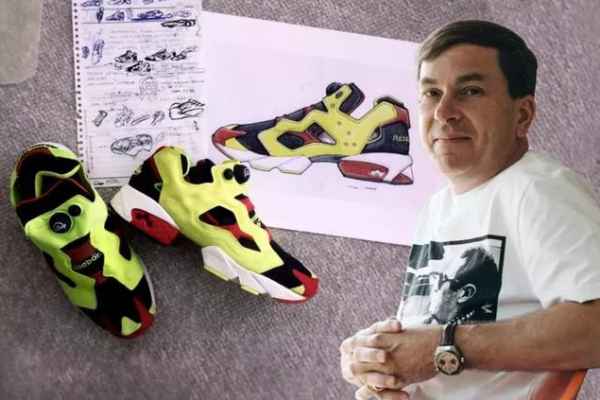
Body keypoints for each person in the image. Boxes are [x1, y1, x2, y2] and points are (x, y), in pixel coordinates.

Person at [340, 20, 600, 400]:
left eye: (470, 91)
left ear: (522, 115)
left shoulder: (539, 190)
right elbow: (436, 344)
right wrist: (375, 359)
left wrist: (443, 347)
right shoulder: (438, 206)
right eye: (431, 93)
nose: (444, 112)